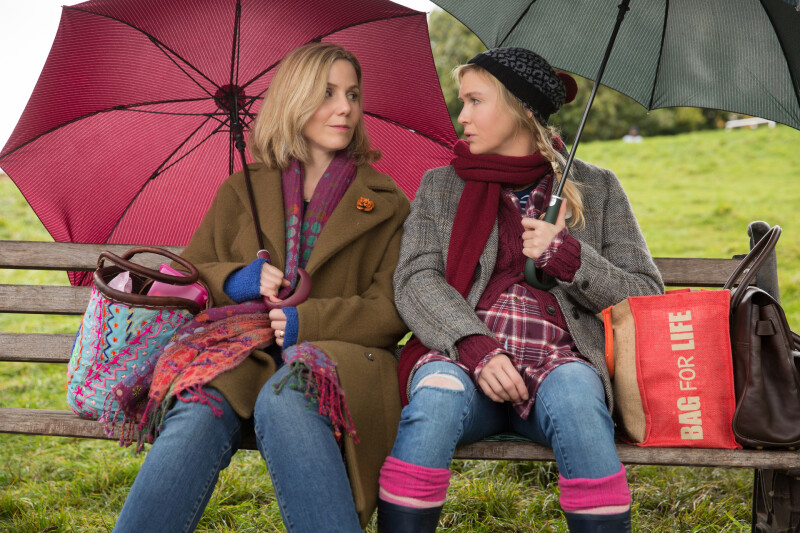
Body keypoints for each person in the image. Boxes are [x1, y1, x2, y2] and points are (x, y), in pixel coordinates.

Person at [113, 42, 410, 533]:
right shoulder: (242, 189)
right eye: (328, 93)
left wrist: (305, 320)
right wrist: (238, 279)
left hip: (338, 358)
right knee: (196, 410)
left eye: (353, 94)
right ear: (294, 99)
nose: (345, 108)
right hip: (240, 353)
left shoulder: (385, 201)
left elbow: (390, 310)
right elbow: (191, 274)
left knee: (286, 396)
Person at [377, 48, 664, 533]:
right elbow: (415, 278)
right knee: (436, 400)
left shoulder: (597, 188)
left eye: (475, 101)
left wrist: (570, 258)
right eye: (463, 102)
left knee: (579, 401)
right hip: (462, 357)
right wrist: (475, 348)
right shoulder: (440, 186)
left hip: (559, 361)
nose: (462, 116)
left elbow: (646, 296)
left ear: (522, 109)